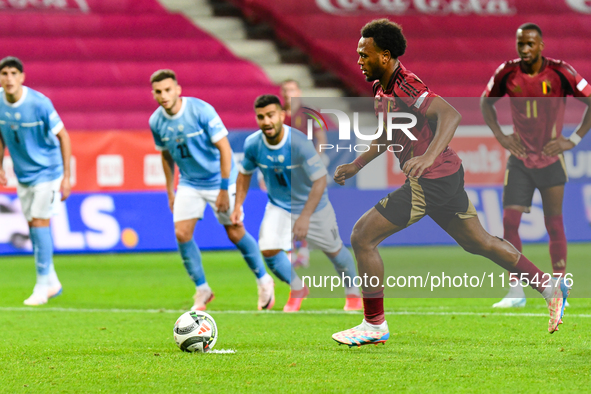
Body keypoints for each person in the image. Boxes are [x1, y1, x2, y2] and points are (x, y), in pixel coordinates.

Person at [331, 19, 569, 347]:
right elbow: (388, 134)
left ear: (385, 56)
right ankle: (551, 288)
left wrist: (428, 157)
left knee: (362, 236)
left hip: (432, 179)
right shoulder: (380, 88)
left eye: (364, 54)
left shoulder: (406, 84)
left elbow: (451, 115)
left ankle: (374, 324)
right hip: (446, 175)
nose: (358, 59)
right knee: (480, 243)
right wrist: (357, 165)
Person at [481, 23, 591, 308]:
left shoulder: (561, 72)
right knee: (509, 222)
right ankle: (515, 291)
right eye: (521, 44)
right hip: (519, 160)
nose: (525, 49)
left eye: (530, 44)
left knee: (554, 224)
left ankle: (560, 288)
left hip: (552, 158)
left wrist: (574, 139)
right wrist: (501, 136)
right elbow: (485, 102)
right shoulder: (507, 72)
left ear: (541, 45)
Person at [149, 69, 274, 311]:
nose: (163, 95)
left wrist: (224, 189)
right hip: (189, 182)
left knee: (235, 232)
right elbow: (165, 155)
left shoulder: (200, 110)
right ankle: (202, 289)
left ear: (177, 90)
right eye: (158, 92)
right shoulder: (156, 121)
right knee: (182, 233)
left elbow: (225, 149)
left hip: (220, 179)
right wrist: (170, 191)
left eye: (167, 90)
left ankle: (263, 280)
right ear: (153, 94)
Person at [231, 94, 362, 312]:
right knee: (269, 249)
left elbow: (320, 180)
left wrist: (305, 217)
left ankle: (353, 293)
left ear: (282, 115)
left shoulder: (299, 143)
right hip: (279, 205)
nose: (266, 121)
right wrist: (237, 206)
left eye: (271, 115)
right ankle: (297, 288)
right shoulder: (253, 144)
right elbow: (244, 174)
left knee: (334, 251)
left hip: (315, 206)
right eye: (261, 117)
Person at [0, 56, 71, 306]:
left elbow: (63, 136)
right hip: (24, 174)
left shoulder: (39, 103)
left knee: (40, 222)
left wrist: (66, 177)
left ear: (22, 77)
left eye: (13, 73)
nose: (8, 78)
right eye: (4, 73)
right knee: (33, 224)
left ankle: (42, 286)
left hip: (48, 172)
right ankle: (52, 279)